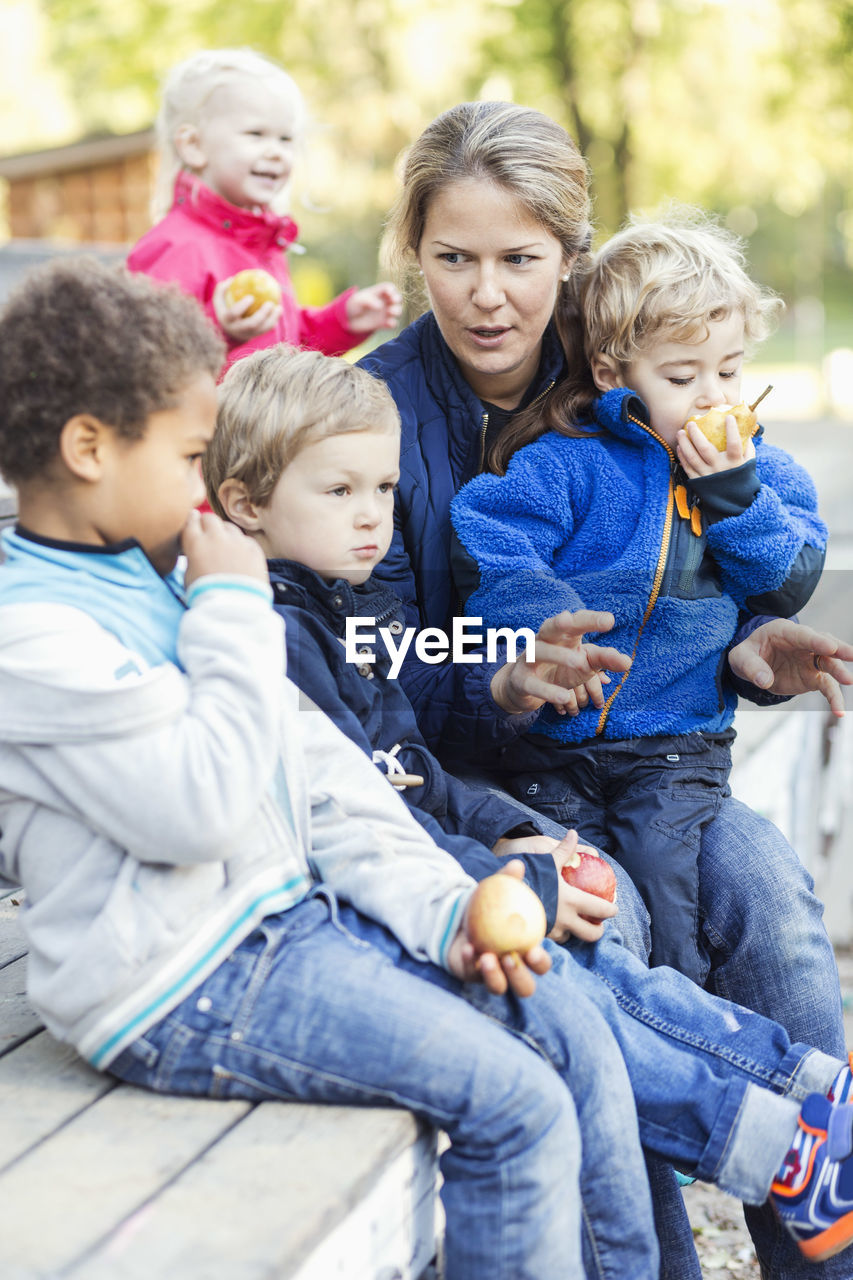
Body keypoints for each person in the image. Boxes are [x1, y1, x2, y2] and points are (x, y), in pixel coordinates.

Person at [200, 338, 853, 1271]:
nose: (372, 520)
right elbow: (369, 801)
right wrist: (501, 853)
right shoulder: (279, 631)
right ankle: (792, 1127)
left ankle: (809, 1119)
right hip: (382, 893)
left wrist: (499, 837)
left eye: (382, 492)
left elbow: (404, 769)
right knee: (585, 968)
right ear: (245, 505)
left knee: (749, 902)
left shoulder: (332, 613)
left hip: (523, 818)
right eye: (339, 493)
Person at [357, 100, 853, 1278]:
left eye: (521, 261)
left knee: (773, 897)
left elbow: (685, 575)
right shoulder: (372, 414)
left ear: (570, 263)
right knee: (602, 919)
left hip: (648, 759)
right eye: (453, 258)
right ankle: (663, 1254)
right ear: (411, 253)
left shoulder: (638, 384)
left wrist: (743, 646)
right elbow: (366, 659)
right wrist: (501, 679)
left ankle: (826, 1243)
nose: (487, 294)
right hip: (471, 788)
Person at [449, 209, 827, 983]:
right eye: (682, 377)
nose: (711, 396)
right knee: (599, 912)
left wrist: (731, 496)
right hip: (549, 753)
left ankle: (709, 1037)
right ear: (615, 374)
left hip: (674, 751)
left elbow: (785, 581)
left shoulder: (760, 475)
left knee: (670, 886)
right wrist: (541, 627)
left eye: (728, 370)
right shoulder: (568, 463)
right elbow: (490, 537)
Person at [128, 48, 401, 371]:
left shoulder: (262, 244)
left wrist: (341, 321)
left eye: (286, 139)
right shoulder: (176, 247)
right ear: (194, 146)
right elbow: (145, 360)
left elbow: (286, 346)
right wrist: (221, 330)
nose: (277, 153)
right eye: (256, 134)